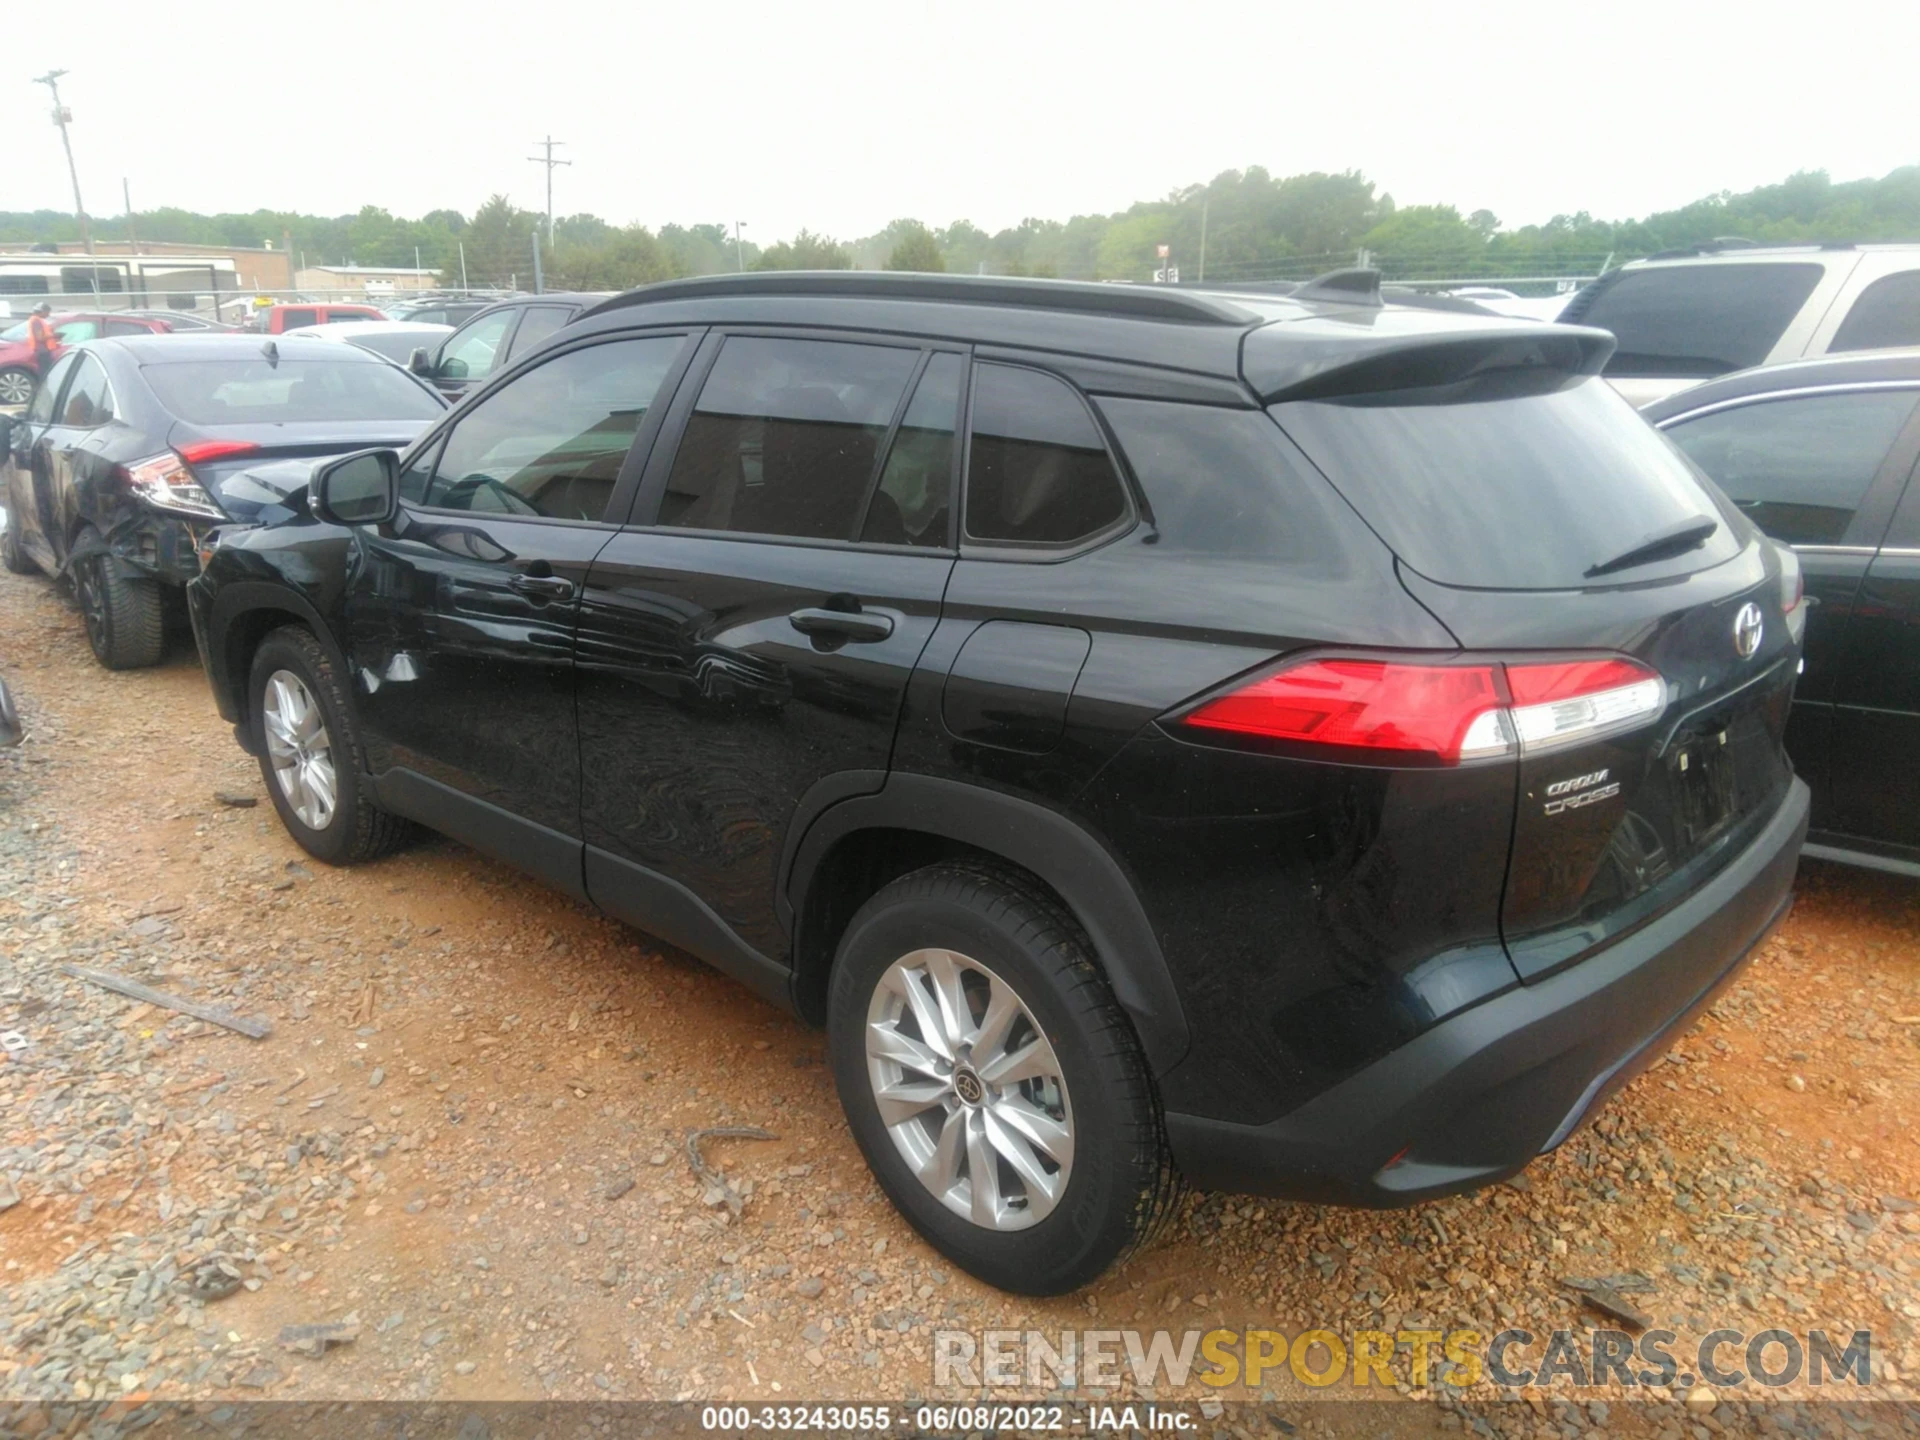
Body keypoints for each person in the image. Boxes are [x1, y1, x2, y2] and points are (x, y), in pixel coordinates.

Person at [27, 303, 57, 379]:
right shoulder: (36, 321)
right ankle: (44, 388)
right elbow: (40, 337)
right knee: (45, 373)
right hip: (43, 351)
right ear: (42, 311)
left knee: (44, 371)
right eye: (47, 312)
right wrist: (54, 335)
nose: (48, 314)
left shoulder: (35, 320)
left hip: (41, 350)